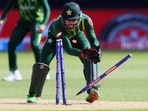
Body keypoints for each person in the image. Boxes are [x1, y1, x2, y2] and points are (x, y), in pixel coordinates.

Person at [26, 2, 102, 103]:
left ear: (79, 17)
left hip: (76, 35)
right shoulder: (58, 25)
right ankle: (33, 94)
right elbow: (68, 48)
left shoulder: (86, 20)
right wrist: (83, 53)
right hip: (54, 39)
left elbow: (93, 39)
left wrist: (97, 49)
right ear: (63, 17)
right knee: (42, 65)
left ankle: (92, 90)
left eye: (73, 20)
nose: (71, 23)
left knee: (90, 59)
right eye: (68, 20)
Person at [0, 0, 50, 81]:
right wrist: (2, 19)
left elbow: (47, 9)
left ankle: (43, 71)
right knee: (11, 44)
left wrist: (43, 24)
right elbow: (9, 5)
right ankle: (14, 72)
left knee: (35, 45)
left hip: (36, 21)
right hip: (23, 22)